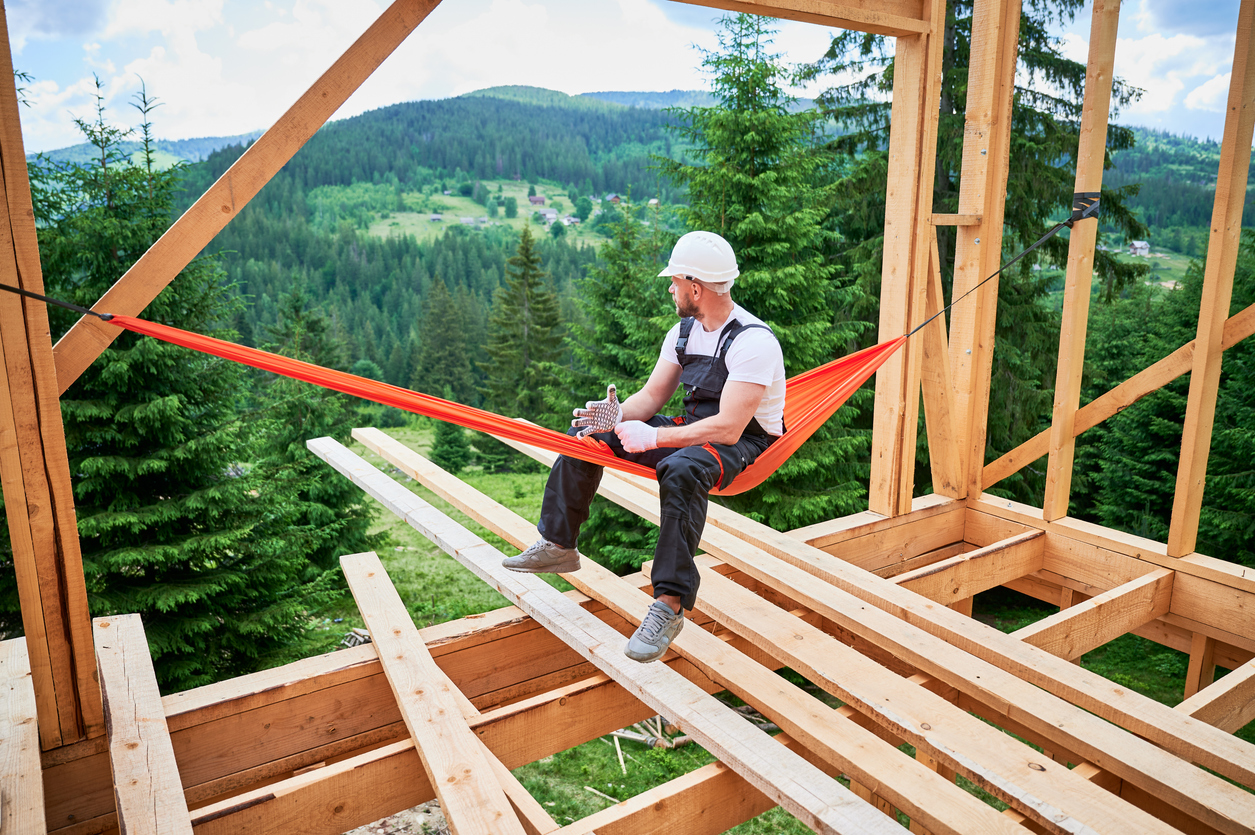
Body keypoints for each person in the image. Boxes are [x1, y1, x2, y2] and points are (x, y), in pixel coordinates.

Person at [502, 230, 786, 662]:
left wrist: (653, 437)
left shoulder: (752, 341)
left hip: (746, 440)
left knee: (684, 469)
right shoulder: (684, 332)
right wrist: (615, 419)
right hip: (694, 427)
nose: (670, 289)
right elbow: (652, 398)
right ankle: (559, 545)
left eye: (674, 281)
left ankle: (669, 606)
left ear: (696, 286)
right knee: (590, 440)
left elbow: (729, 428)